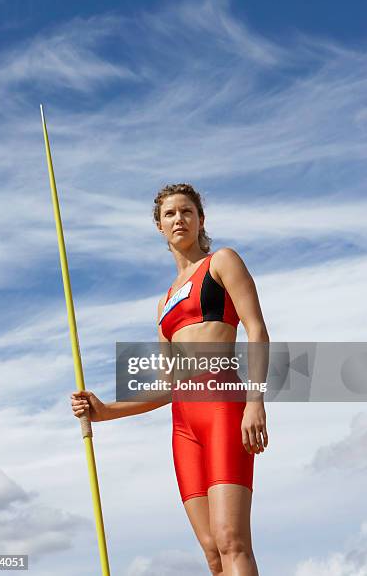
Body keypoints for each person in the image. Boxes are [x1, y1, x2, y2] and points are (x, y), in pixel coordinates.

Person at [71, 183, 269, 576]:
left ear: (200, 220)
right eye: (170, 214)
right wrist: (105, 411)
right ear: (159, 226)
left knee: (232, 539)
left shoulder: (222, 262)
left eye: (187, 212)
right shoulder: (163, 303)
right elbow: (168, 385)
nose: (179, 219)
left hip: (223, 404)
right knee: (213, 554)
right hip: (184, 424)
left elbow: (257, 330)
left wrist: (255, 402)